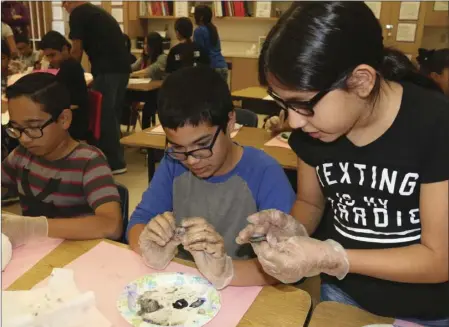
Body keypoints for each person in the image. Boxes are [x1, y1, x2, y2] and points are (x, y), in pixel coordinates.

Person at [237, 2, 449, 326]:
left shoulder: (434, 124)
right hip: (344, 296)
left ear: (361, 81)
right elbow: (310, 202)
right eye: (283, 104)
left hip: (424, 311)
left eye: (303, 104)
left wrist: (332, 257)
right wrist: (293, 230)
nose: (293, 121)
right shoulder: (315, 132)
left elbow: (438, 258)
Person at [127, 66, 295, 288]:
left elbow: (288, 264)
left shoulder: (264, 173)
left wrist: (225, 271)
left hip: (245, 292)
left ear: (230, 122)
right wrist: (148, 245)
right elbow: (138, 222)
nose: (192, 160)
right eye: (178, 147)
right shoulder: (174, 163)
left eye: (202, 145)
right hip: (185, 285)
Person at [1, 73, 123, 247]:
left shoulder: (88, 162)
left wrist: (34, 227)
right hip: (35, 254)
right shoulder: (22, 155)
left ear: (64, 119)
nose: (24, 139)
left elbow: (112, 225)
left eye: (34, 127)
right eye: (16, 129)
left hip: (78, 256)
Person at [62, 1, 130, 175]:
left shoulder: (78, 13)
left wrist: (67, 73)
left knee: (104, 116)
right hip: (121, 69)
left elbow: (76, 51)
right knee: (112, 114)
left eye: (65, 2)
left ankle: (114, 162)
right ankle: (116, 158)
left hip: (107, 69)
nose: (64, 7)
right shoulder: (97, 12)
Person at [40, 30, 90, 142]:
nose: (51, 60)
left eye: (53, 55)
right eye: (47, 56)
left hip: (75, 122)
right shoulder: (68, 65)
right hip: (73, 116)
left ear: (64, 49)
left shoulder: (69, 67)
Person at [193, 5, 228, 81]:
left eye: (195, 14)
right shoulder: (213, 28)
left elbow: (199, 52)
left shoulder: (199, 31)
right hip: (222, 66)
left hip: (210, 68)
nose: (194, 17)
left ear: (201, 17)